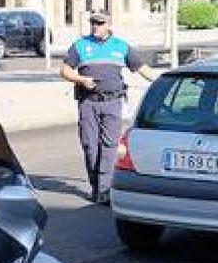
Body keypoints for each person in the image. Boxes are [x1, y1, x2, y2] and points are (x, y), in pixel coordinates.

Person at [60, 12, 158, 204]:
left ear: (108, 24)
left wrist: (165, 82)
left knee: (109, 146)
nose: (95, 26)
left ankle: (104, 190)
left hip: (113, 102)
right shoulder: (80, 45)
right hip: (88, 102)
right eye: (93, 23)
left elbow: (143, 69)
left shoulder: (121, 46)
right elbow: (65, 70)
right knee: (90, 146)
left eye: (100, 23)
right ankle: (96, 185)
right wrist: (81, 80)